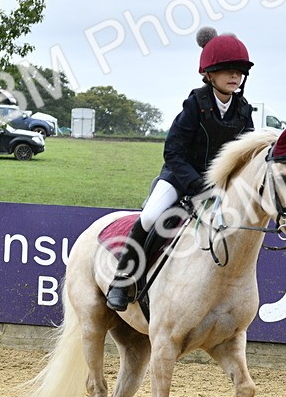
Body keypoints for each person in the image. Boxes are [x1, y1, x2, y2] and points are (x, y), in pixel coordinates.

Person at [106, 27, 255, 311]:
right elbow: (172, 152)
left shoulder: (244, 112)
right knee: (150, 217)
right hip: (180, 178)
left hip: (219, 187)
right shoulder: (194, 105)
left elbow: (245, 157)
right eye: (227, 70)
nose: (234, 76)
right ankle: (122, 281)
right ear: (209, 74)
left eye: (239, 70)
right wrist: (195, 184)